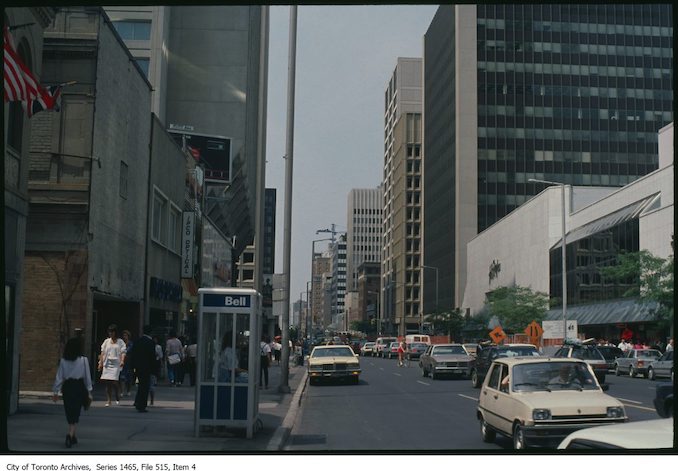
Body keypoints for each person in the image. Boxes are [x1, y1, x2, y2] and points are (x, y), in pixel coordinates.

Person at [52, 337, 92, 448]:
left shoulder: (64, 360)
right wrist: (89, 391)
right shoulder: (83, 360)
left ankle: (73, 435)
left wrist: (56, 391)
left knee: (69, 410)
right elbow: (87, 377)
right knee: (76, 411)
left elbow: (59, 377)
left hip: (68, 387)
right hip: (79, 386)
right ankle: (70, 435)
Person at [98, 324, 126, 406]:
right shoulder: (106, 341)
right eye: (109, 332)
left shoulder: (120, 342)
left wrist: (122, 361)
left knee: (114, 381)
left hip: (116, 364)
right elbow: (102, 353)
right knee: (107, 382)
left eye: (112, 332)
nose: (110, 333)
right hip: (107, 363)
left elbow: (123, 352)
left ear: (115, 332)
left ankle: (117, 395)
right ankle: (109, 400)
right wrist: (101, 363)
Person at [130, 325, 156, 413]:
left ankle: (137, 401)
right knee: (145, 387)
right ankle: (141, 405)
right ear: (151, 332)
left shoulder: (137, 341)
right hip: (147, 368)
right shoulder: (151, 343)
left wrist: (133, 366)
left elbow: (133, 354)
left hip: (138, 367)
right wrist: (154, 369)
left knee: (140, 385)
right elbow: (152, 357)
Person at [120, 330, 135, 397]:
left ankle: (128, 391)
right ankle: (122, 391)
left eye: (126, 335)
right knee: (122, 377)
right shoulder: (120, 343)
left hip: (129, 362)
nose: (124, 337)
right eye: (123, 335)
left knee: (129, 378)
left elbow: (128, 350)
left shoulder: (131, 343)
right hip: (122, 362)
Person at [150, 336, 163, 405]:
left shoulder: (158, 347)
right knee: (151, 385)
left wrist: (161, 364)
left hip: (153, 367)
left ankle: (151, 400)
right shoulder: (156, 348)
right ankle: (151, 400)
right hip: (153, 366)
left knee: (152, 385)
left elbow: (160, 357)